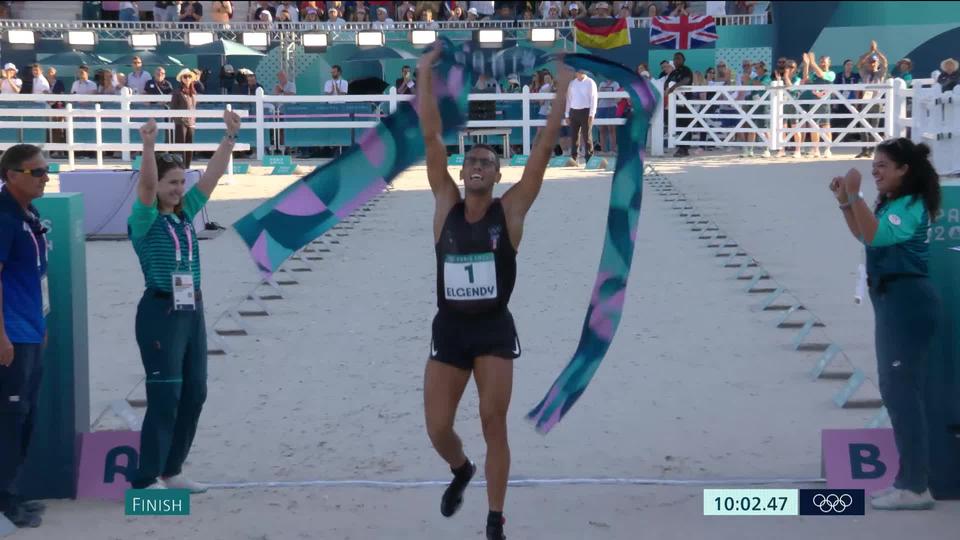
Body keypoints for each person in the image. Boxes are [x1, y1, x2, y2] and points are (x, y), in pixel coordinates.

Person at [416, 45, 572, 540]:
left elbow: (545, 146)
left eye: (487, 160)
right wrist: (423, 73)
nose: (478, 165)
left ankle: (494, 518)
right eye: (472, 161)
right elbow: (430, 134)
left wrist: (563, 87)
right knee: (438, 429)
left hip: (493, 329)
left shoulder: (512, 212)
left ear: (499, 173)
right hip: (450, 328)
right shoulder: (446, 205)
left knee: (492, 421)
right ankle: (461, 470)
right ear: (462, 174)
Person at [126, 110, 241, 491]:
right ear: (156, 185)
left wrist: (229, 138)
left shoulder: (185, 214)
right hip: (161, 311)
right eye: (171, 183)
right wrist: (148, 146)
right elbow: (144, 187)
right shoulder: (144, 219)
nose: (178, 189)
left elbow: (211, 178)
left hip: (193, 310)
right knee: (166, 394)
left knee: (195, 391)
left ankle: (172, 470)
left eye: (180, 182)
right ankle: (145, 481)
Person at [829, 138, 941, 511]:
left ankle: (914, 486)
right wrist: (847, 200)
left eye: (882, 166)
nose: (875, 171)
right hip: (893, 300)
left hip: (906, 302)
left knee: (901, 394)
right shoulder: (893, 203)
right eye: (873, 164)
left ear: (903, 170)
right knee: (898, 392)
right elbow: (864, 235)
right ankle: (911, 481)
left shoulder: (909, 205)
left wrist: (856, 196)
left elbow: (875, 235)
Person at [0, 144, 50, 529]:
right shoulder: (3, 217)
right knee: (9, 418)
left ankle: (13, 491)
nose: (45, 176)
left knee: (25, 416)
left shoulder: (28, 214)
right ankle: (4, 501)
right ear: (12, 175)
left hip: (30, 329)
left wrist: (41, 325)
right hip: (11, 333)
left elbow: (33, 277)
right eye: (36, 172)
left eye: (47, 170)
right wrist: (1, 336)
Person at [856, 41, 888, 159]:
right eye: (870, 61)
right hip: (865, 102)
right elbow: (859, 63)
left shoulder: (880, 73)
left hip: (876, 102)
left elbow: (885, 63)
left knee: (873, 127)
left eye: (874, 62)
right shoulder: (864, 72)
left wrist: (876, 51)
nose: (872, 63)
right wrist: (870, 52)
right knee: (863, 126)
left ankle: (871, 150)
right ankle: (864, 149)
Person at [565, 68, 597, 164]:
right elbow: (569, 99)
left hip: (586, 111)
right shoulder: (572, 83)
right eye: (577, 72)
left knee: (587, 136)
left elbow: (594, 99)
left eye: (580, 72)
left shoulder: (590, 82)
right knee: (574, 136)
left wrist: (592, 114)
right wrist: (566, 114)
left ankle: (589, 158)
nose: (578, 73)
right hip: (574, 111)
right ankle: (574, 159)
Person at [171, 69, 199, 168]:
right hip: (181, 122)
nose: (187, 78)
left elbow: (194, 107)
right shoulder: (177, 92)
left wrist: (194, 120)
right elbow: (173, 107)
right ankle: (179, 167)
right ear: (181, 79)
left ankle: (187, 166)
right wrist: (179, 119)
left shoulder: (193, 92)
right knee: (180, 146)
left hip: (191, 122)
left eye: (189, 76)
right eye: (185, 76)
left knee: (189, 146)